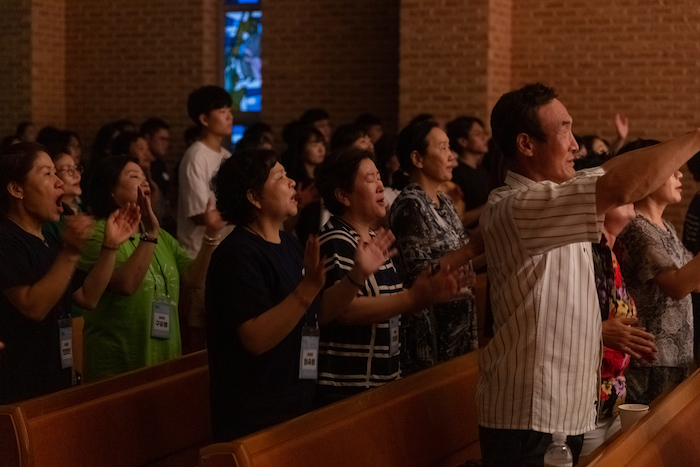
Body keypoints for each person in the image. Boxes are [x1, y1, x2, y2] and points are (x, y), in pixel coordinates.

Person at [478, 82, 700, 467]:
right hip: (529, 417)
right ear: (526, 144)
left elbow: (608, 171)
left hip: (566, 410)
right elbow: (619, 183)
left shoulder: (552, 199)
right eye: (564, 129)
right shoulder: (519, 205)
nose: (574, 144)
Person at [206, 148, 390, 440]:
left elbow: (318, 313)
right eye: (280, 177)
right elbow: (254, 338)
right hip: (256, 413)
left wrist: (356, 276)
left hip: (297, 401)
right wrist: (306, 290)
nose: (293, 183)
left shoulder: (290, 245)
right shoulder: (237, 254)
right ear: (254, 197)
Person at [314, 147, 464, 404]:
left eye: (380, 177)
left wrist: (430, 293)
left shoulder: (374, 239)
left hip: (380, 381)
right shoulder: (336, 238)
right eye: (370, 179)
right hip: (348, 388)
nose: (381, 186)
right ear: (343, 195)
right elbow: (344, 311)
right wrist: (413, 298)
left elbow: (387, 304)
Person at [0, 143, 137, 403]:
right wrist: (71, 252)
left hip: (54, 380)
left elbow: (88, 296)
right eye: (47, 173)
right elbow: (33, 307)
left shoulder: (48, 242)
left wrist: (110, 246)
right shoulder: (6, 240)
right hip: (18, 387)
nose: (59, 182)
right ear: (16, 189)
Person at [78, 155, 225, 382]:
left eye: (145, 176)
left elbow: (194, 279)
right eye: (134, 176)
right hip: (118, 364)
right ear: (112, 191)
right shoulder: (99, 233)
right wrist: (150, 235)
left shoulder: (161, 236)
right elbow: (126, 285)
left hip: (163, 359)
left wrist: (212, 233)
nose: (145, 181)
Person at [573, 153, 657, 456]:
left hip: (612, 399)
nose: (629, 197)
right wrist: (600, 331)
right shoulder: (583, 251)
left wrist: (631, 342)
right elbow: (554, 320)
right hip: (584, 403)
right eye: (620, 194)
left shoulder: (609, 250)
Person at [389, 120, 483, 375]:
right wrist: (472, 248)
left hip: (458, 326)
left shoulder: (444, 201)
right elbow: (420, 275)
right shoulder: (409, 204)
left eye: (449, 147)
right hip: (429, 336)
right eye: (442, 148)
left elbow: (462, 260)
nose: (451, 156)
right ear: (418, 158)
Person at [618, 139, 697, 405]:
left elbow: (692, 281)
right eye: (671, 168)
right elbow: (676, 285)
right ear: (646, 175)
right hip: (649, 363)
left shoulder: (664, 226)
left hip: (674, 358)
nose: (679, 173)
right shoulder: (637, 228)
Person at [178, 85, 234, 351]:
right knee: (197, 337)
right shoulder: (196, 156)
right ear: (203, 119)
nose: (229, 116)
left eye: (229, 111)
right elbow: (200, 214)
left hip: (222, 256)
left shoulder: (226, 156)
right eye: (221, 111)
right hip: (197, 257)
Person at [445, 116, 490, 228]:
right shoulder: (455, 173)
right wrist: (490, 206)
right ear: (463, 141)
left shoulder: (482, 171)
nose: (484, 138)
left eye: (484, 133)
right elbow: (458, 219)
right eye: (477, 134)